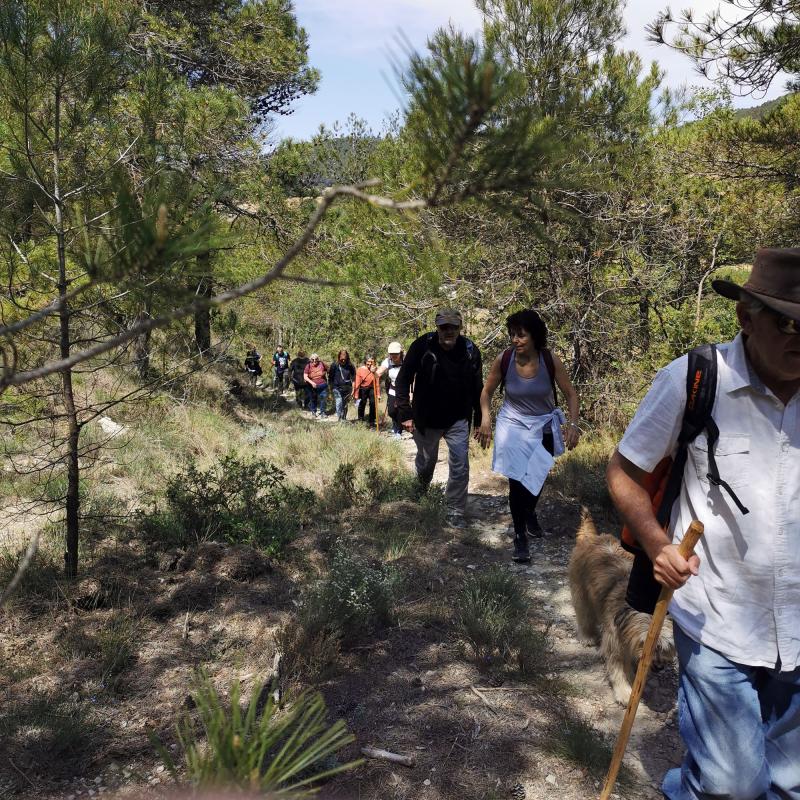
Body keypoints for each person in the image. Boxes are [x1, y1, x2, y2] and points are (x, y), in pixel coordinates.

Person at [606, 248, 800, 800]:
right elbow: (623, 471)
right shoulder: (695, 379)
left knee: (790, 784)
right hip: (718, 620)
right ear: (746, 316)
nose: (798, 336)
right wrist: (657, 543)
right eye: (785, 322)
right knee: (733, 785)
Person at [475, 309, 581, 563]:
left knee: (537, 476)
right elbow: (486, 392)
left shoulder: (549, 359)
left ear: (534, 336)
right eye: (512, 335)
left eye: (521, 335)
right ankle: (520, 536)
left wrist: (574, 425)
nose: (515, 340)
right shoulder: (505, 359)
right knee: (517, 481)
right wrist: (486, 419)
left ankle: (530, 512)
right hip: (512, 424)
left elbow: (571, 394)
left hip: (542, 424)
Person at [394, 308, 483, 528]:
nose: (448, 331)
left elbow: (478, 387)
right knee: (426, 463)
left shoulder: (470, 350)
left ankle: (454, 509)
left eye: (453, 327)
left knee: (460, 464)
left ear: (460, 327)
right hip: (426, 418)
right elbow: (403, 379)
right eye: (444, 327)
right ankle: (421, 492)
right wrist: (405, 414)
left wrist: (481, 420)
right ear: (437, 328)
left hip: (458, 418)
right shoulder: (422, 345)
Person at [377, 341, 405, 438]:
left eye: (396, 354)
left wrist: (411, 392)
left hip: (404, 389)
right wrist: (374, 372)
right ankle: (395, 424)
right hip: (393, 388)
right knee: (392, 411)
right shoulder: (387, 361)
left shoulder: (406, 360)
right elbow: (379, 373)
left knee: (401, 410)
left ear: (400, 353)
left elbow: (413, 376)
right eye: (391, 354)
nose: (393, 356)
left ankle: (399, 431)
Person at [329, 350, 355, 422]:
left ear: (347, 356)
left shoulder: (350, 366)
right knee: (339, 401)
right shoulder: (334, 365)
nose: (343, 356)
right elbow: (330, 377)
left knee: (345, 404)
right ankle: (340, 417)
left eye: (345, 355)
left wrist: (353, 389)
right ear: (339, 355)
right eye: (342, 354)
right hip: (336, 387)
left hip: (347, 388)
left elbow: (353, 378)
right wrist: (331, 387)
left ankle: (344, 418)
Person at [354, 356, 378, 426]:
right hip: (363, 388)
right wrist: (356, 393)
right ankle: (361, 419)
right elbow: (357, 382)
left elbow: (377, 381)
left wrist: (378, 393)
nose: (370, 364)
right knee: (362, 402)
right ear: (365, 362)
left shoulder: (375, 369)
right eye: (368, 363)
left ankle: (372, 420)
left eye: (371, 362)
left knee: (373, 403)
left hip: (371, 388)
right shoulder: (360, 370)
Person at [303, 353, 329, 418]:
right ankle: (313, 412)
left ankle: (323, 412)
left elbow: (328, 369)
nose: (314, 361)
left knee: (323, 399)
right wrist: (312, 383)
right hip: (312, 386)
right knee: (313, 399)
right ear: (310, 360)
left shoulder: (322, 364)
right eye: (312, 359)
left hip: (322, 385)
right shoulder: (308, 366)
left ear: (318, 359)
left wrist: (326, 374)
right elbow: (305, 377)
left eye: (316, 359)